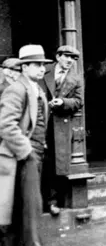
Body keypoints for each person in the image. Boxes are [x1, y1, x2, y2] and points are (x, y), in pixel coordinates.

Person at [0, 44, 52, 246]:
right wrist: (27, 151)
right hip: (21, 157)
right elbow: (5, 124)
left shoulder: (36, 89)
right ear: (24, 67)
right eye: (36, 64)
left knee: (29, 206)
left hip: (35, 154)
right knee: (30, 206)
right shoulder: (17, 89)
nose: (41, 68)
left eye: (43, 64)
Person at [40, 45, 84, 216]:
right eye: (67, 57)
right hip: (40, 121)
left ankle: (53, 202)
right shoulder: (44, 70)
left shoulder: (77, 78)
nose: (70, 61)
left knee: (56, 164)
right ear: (58, 56)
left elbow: (79, 102)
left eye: (73, 59)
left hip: (60, 125)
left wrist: (63, 102)